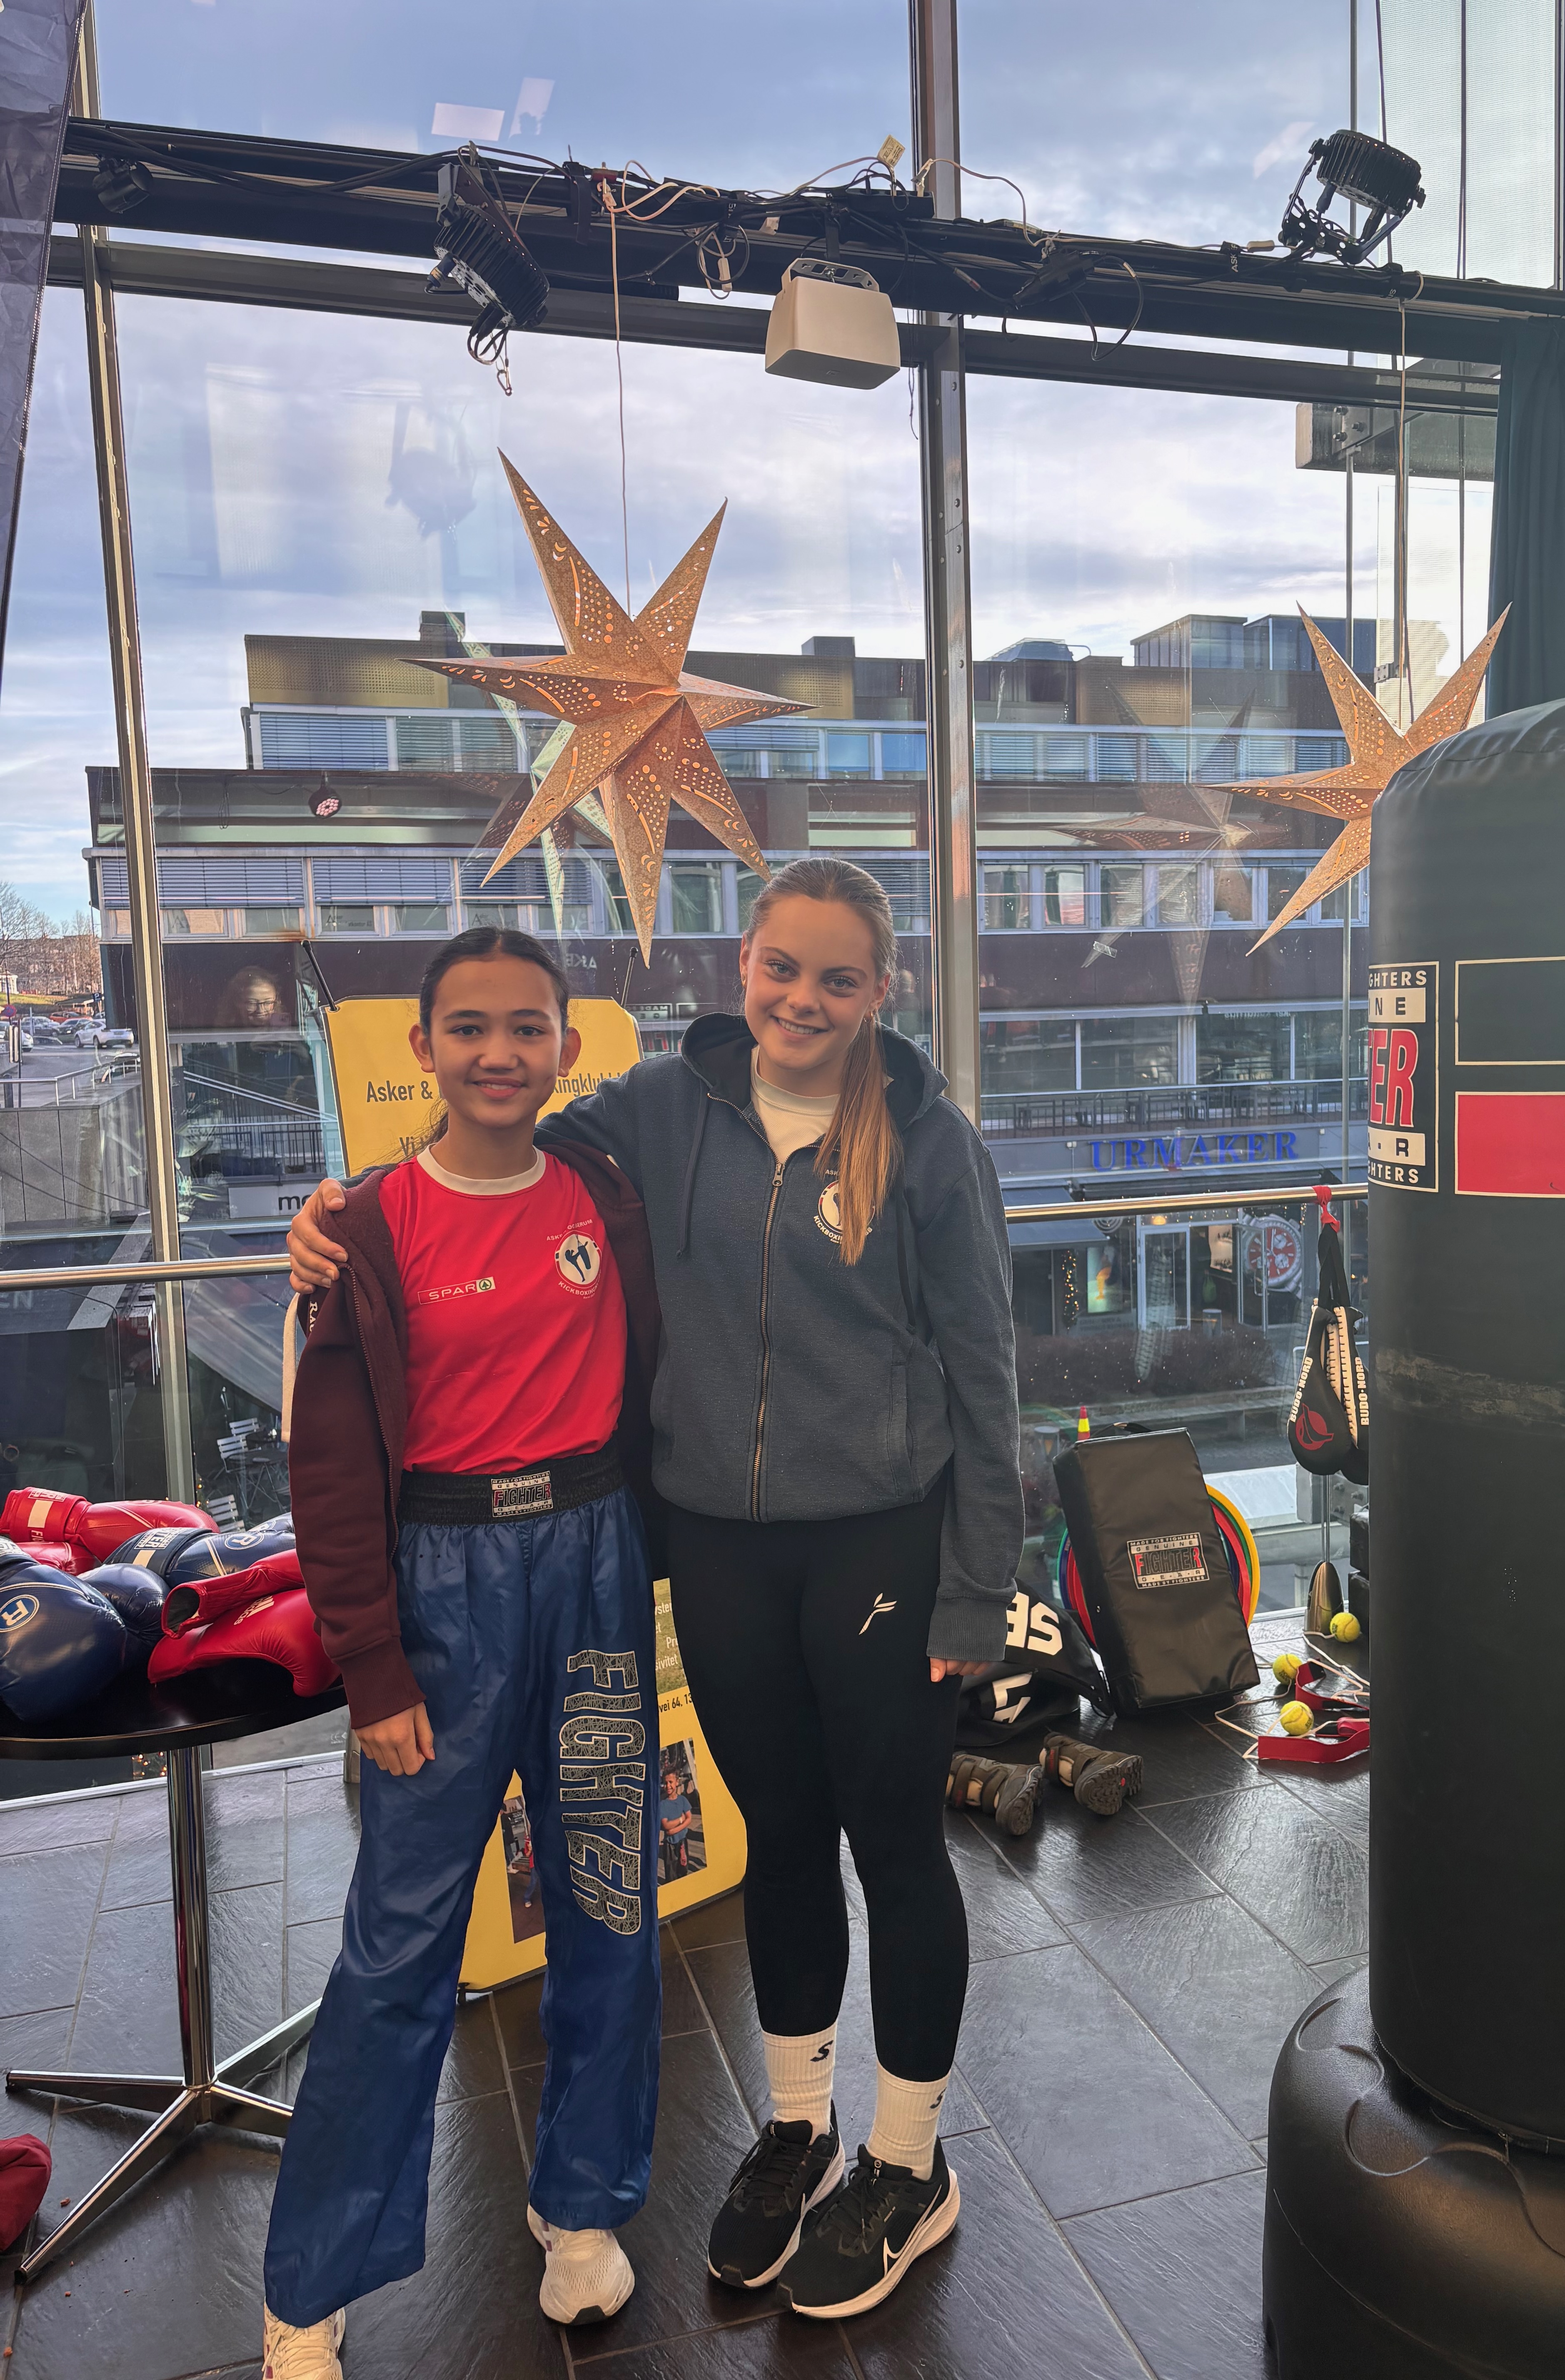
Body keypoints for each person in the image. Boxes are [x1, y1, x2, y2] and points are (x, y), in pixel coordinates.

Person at [287, 856, 1023, 2323]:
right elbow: (489, 1146)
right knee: (779, 1844)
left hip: (881, 1548)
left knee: (892, 1844)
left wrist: (973, 1593)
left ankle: (906, 2160)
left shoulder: (928, 1140)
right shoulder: (656, 1109)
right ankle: (801, 2127)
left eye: (836, 979)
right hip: (719, 1548)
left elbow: (987, 1375)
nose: (801, 1000)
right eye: (780, 968)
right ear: (742, 965)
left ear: (879, 991)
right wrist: (344, 1209)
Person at [263, 928, 663, 2380]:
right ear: (423, 1047)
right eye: (471, 1027)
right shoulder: (366, 1228)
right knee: (400, 1942)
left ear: (567, 1045)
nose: (500, 1053)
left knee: (608, 1899)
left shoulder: (606, 1188)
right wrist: (372, 1667)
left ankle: (584, 2206)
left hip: (596, 1565)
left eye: (528, 1027)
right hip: (440, 1587)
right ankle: (310, 2285)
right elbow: (326, 1466)